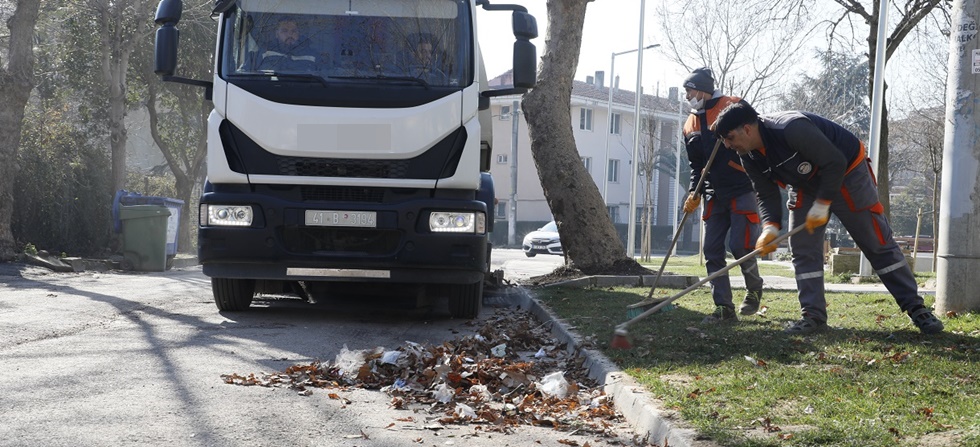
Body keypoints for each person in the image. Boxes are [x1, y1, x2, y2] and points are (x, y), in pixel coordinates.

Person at [712, 102, 944, 335]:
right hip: (805, 185)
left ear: (748, 129)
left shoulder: (791, 128)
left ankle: (917, 309)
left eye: (730, 137)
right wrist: (770, 227)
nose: (728, 145)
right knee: (803, 248)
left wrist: (823, 204)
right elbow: (765, 193)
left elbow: (835, 162)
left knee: (876, 241)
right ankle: (813, 316)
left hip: (847, 173)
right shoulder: (747, 154)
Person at [681, 67, 764, 324]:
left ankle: (754, 288)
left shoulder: (734, 105)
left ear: (702, 88)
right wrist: (694, 192)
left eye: (689, 91)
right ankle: (724, 308)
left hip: (741, 186)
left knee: (741, 245)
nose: (687, 96)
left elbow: (756, 137)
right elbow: (696, 165)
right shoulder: (690, 123)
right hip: (713, 193)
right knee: (712, 249)